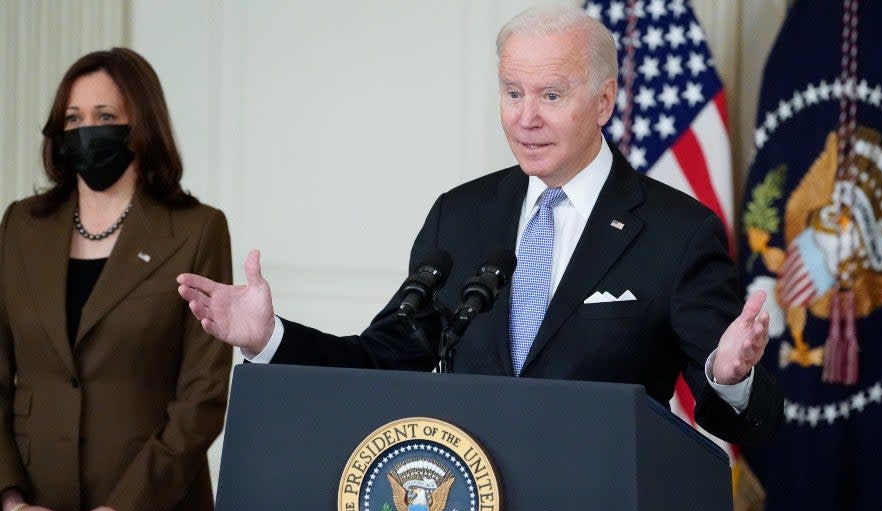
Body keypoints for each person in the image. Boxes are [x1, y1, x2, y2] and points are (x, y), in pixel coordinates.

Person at [178, 7, 782, 445]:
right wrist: (269, 339)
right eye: (511, 91)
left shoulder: (678, 232)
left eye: (550, 94)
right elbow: (385, 360)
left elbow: (734, 420)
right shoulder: (461, 216)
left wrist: (728, 378)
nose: (525, 118)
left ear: (603, 101)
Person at [0, 48, 232, 511]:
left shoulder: (197, 230)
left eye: (105, 118)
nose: (87, 132)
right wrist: (12, 506)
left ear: (141, 125)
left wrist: (123, 510)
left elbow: (204, 395)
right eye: (73, 119)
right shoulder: (20, 225)